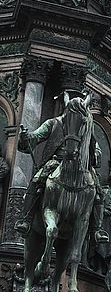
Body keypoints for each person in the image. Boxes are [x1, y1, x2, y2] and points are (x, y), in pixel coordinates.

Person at [14, 93, 105, 241]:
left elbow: (96, 149)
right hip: (56, 162)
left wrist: (94, 155)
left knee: (99, 192)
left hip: (81, 165)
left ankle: (97, 229)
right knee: (37, 180)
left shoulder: (86, 126)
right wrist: (27, 137)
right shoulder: (53, 123)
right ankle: (26, 219)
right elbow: (36, 136)